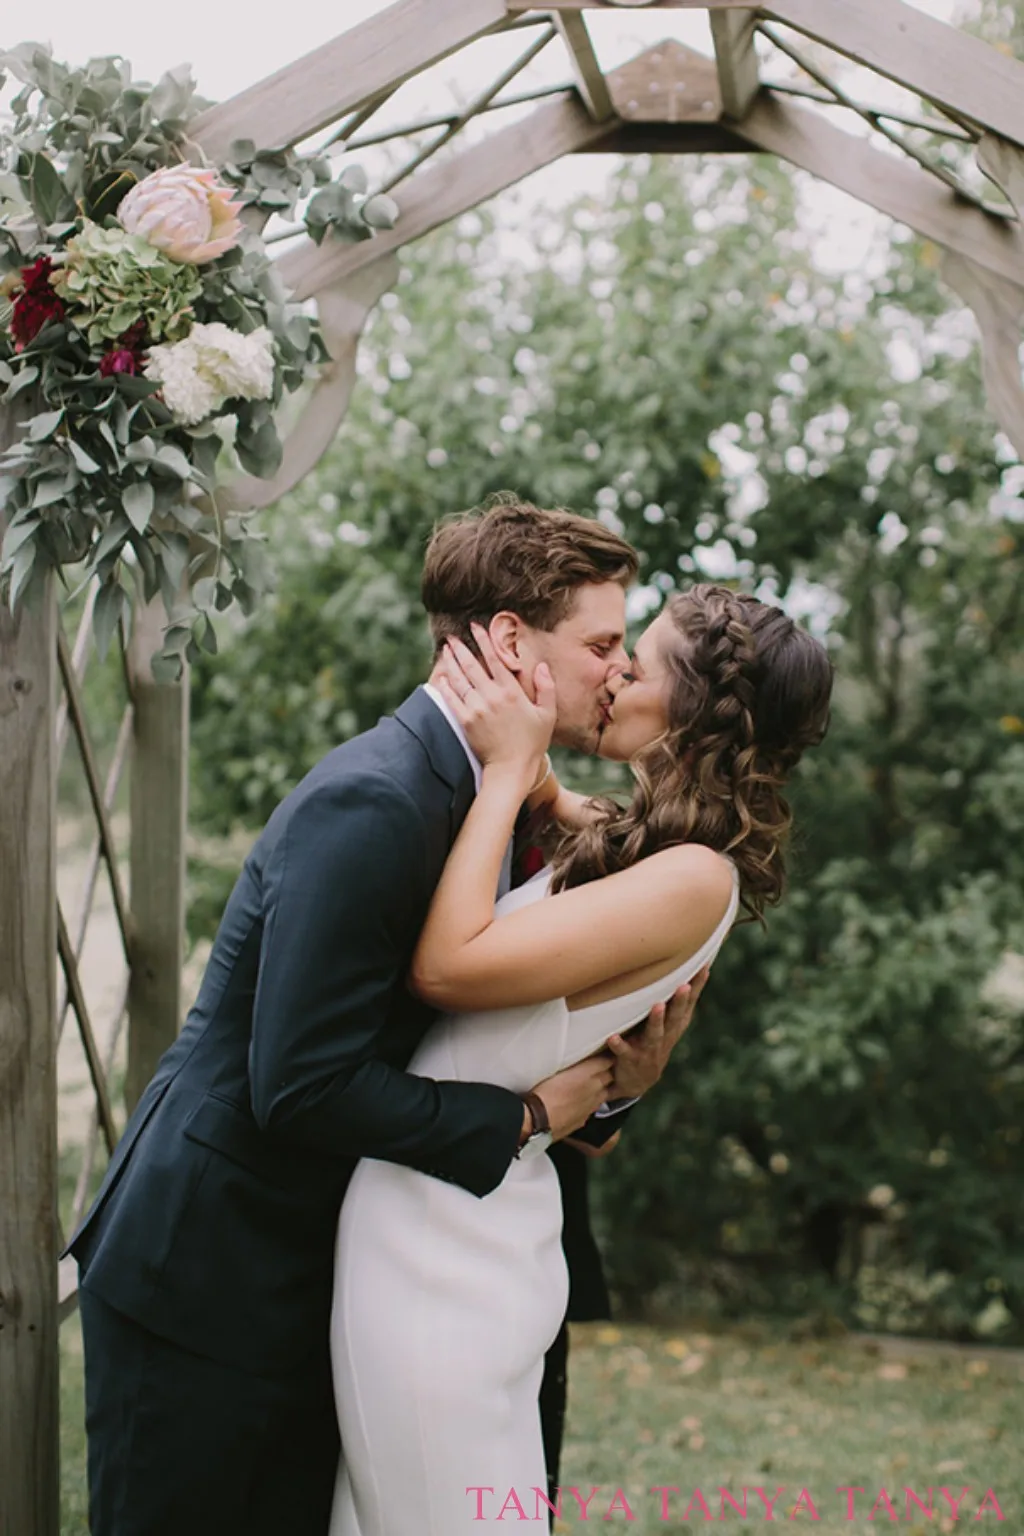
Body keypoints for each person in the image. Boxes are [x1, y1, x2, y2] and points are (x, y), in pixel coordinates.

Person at [67, 495, 692, 1536]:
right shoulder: (378, 798)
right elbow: (301, 1083)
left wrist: (613, 1092)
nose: (616, 671)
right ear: (507, 643)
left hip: (340, 1277)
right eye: (600, 644)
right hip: (211, 1276)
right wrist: (529, 1120)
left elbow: (500, 1037)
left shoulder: (505, 802)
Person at [329, 584, 833, 1535]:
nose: (609, 675)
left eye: (634, 665)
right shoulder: (652, 844)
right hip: (449, 1228)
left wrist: (509, 770)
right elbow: (572, 821)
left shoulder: (692, 877)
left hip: (450, 1252)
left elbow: (447, 966)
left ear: (693, 714)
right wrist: (530, 758)